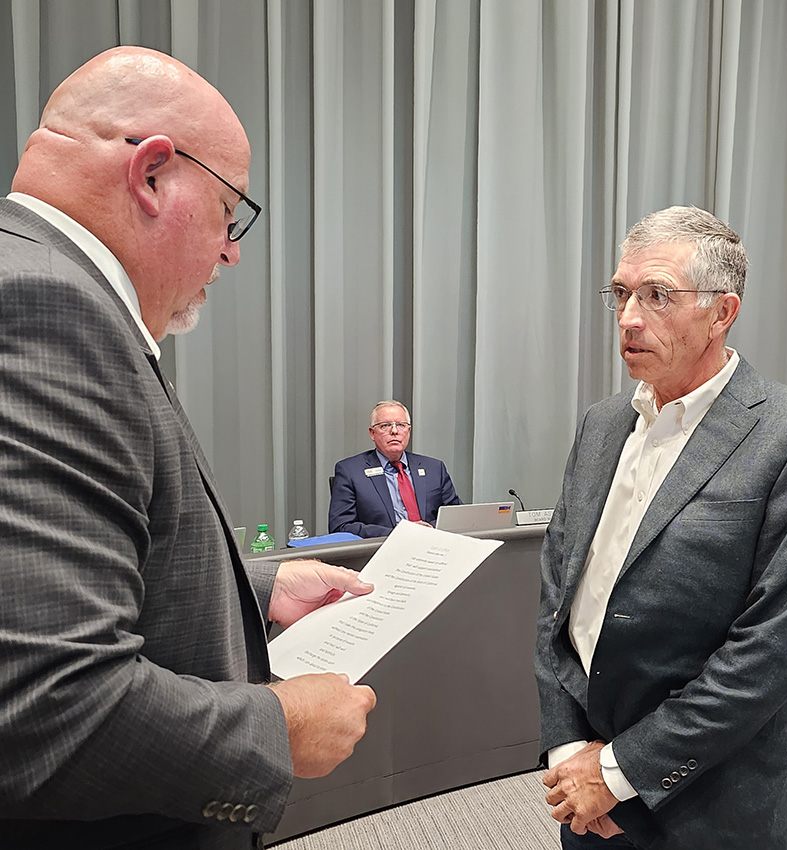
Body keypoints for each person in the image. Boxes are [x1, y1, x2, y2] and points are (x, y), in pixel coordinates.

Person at [0, 47, 376, 850]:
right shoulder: (42, 309)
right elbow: (46, 709)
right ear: (153, 175)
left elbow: (70, 574)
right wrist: (278, 726)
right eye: (228, 212)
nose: (232, 250)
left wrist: (255, 584)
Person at [535, 206, 787, 850]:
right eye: (621, 293)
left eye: (658, 297)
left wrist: (621, 771)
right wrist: (570, 751)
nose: (628, 318)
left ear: (722, 312)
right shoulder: (601, 425)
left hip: (716, 796)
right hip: (588, 789)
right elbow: (558, 599)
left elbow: (771, 651)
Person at [328, 400, 461, 538]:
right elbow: (341, 526)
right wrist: (398, 533)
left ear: (408, 431)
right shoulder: (350, 471)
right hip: (380, 550)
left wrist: (429, 528)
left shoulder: (434, 468)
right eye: (385, 426)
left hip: (433, 545)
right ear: (372, 433)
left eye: (401, 425)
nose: (394, 431)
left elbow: (456, 516)